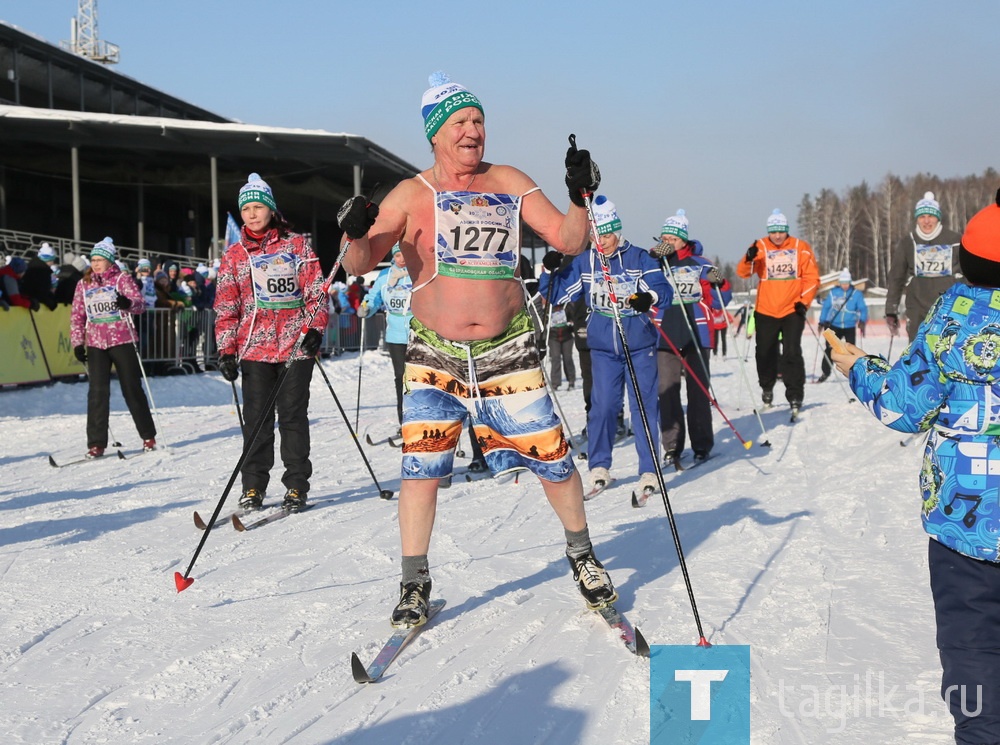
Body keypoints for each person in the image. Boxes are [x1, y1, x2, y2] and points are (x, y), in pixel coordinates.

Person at [338, 71, 616, 628]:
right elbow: (359, 264)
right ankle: (414, 582)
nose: (473, 131)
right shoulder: (412, 194)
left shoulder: (508, 180)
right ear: (435, 133)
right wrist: (353, 231)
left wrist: (580, 195)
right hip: (434, 355)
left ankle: (582, 553)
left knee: (553, 460)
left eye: (479, 121)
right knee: (420, 468)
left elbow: (568, 239)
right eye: (460, 122)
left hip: (506, 351)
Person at [830, 189, 1000, 745]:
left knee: (972, 651)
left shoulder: (955, 314)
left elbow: (904, 405)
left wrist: (858, 367)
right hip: (965, 529)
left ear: (967, 263)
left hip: (964, 529)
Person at [539, 195, 671, 495]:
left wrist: (645, 298)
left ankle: (649, 470)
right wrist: (549, 270)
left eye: (609, 234)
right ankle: (599, 466)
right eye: (598, 235)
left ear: (618, 231)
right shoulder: (586, 261)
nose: (604, 241)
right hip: (603, 350)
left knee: (643, 407)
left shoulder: (639, 258)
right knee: (603, 407)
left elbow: (662, 290)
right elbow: (557, 294)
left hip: (639, 347)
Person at [214, 173, 327, 512]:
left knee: (293, 416)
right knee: (257, 420)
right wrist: (226, 350)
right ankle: (253, 487)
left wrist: (315, 329)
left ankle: (296, 485)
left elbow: (316, 292)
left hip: (295, 346)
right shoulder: (235, 255)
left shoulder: (297, 246)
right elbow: (225, 305)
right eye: (245, 208)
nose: (251, 214)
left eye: (257, 206)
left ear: (271, 209)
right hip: (254, 349)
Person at [650, 210, 732, 467]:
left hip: (696, 334)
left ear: (683, 241)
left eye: (672, 239)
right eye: (664, 238)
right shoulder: (655, 263)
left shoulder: (700, 263)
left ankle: (702, 444)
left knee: (698, 393)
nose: (667, 243)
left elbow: (722, 300)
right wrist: (654, 257)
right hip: (666, 335)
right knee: (667, 392)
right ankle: (672, 446)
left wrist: (721, 283)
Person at [69, 238, 156, 458]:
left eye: (100, 260)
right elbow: (77, 315)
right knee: (97, 393)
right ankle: (96, 443)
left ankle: (148, 436)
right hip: (96, 342)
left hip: (122, 340)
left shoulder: (121, 279)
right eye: (93, 260)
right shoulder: (83, 284)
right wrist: (78, 342)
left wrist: (127, 303)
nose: (96, 264)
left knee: (131, 388)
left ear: (110, 260)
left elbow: (140, 304)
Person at [736, 208, 820, 415]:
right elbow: (743, 273)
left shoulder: (801, 247)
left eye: (781, 231)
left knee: (792, 351)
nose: (777, 236)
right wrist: (749, 258)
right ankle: (766, 387)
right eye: (773, 231)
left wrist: (804, 302)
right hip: (766, 310)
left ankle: (795, 395)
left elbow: (812, 277)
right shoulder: (760, 246)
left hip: (792, 309)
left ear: (787, 230)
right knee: (764, 352)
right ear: (768, 231)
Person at [884, 191, 964, 343]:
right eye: (922, 217)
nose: (927, 221)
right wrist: (891, 310)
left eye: (931, 216)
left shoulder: (955, 240)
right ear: (917, 219)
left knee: (948, 354)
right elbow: (896, 277)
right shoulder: (908, 242)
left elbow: (969, 273)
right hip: (917, 309)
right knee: (919, 356)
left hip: (949, 307)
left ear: (938, 217)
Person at [358, 244, 413, 430]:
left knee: (421, 378)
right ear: (393, 257)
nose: (402, 259)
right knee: (401, 378)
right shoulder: (384, 276)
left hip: (419, 332)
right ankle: (404, 421)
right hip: (396, 335)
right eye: (398, 255)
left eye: (405, 254)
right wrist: (367, 307)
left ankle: (424, 418)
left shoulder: (419, 272)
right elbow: (373, 298)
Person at [816, 268, 867, 382]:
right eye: (843, 283)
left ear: (850, 282)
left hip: (849, 326)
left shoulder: (856, 294)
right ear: (840, 283)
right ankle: (825, 372)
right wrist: (821, 321)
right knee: (829, 349)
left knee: (850, 351)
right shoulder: (834, 292)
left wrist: (862, 321)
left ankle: (853, 373)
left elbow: (863, 308)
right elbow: (826, 307)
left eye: (847, 283)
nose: (845, 285)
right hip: (835, 325)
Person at [21, 243, 60, 311]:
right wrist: (51, 303)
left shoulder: (32, 267)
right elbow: (41, 292)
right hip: (34, 306)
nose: (53, 263)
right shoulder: (43, 271)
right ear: (48, 260)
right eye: (52, 260)